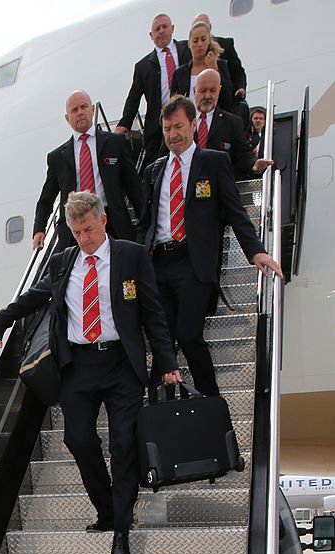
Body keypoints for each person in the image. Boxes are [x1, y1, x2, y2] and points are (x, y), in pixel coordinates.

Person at [0, 191, 182, 554]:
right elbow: (36, 296)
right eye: (77, 232)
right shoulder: (64, 262)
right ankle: (107, 508)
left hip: (122, 365)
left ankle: (122, 531)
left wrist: (167, 362)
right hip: (79, 366)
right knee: (77, 438)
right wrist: (3, 318)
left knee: (124, 445)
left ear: (103, 220)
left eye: (89, 229)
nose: (84, 239)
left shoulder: (131, 256)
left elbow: (153, 314)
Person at [140, 96, 283, 396]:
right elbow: (147, 221)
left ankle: (212, 402)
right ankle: (157, 413)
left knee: (189, 335)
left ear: (193, 124)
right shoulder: (155, 170)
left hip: (193, 262)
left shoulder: (213, 162)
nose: (172, 134)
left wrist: (256, 250)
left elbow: (235, 211)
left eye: (178, 126)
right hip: (159, 265)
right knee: (161, 342)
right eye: (167, 129)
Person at [33, 90, 143, 253]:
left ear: (92, 109)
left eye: (83, 107)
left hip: (111, 223)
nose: (80, 113)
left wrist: (146, 224)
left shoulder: (115, 143)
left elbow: (134, 187)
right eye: (74, 110)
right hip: (75, 231)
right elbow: (46, 198)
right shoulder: (58, 157)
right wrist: (39, 229)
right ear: (67, 118)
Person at [115, 13, 190, 168]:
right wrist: (124, 124)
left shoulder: (189, 50)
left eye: (164, 27)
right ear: (151, 35)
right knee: (157, 168)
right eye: (157, 29)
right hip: (157, 127)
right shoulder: (143, 66)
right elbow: (133, 97)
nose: (161, 31)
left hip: (187, 117)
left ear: (172, 28)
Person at [194, 69, 272, 179]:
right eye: (203, 90)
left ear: (219, 90)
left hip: (219, 188)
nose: (207, 96)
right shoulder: (183, 120)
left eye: (212, 91)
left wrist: (254, 165)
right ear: (194, 90)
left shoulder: (232, 123)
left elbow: (243, 155)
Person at [170, 20, 234, 114]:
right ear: (189, 44)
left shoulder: (221, 65)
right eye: (195, 41)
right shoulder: (180, 73)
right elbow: (174, 105)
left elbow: (228, 99)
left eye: (203, 39)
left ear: (209, 40)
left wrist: (215, 70)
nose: (199, 45)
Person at [193, 10, 247, 100]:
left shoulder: (226, 45)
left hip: (223, 96)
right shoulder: (188, 51)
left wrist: (240, 88)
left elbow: (237, 70)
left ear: (210, 27)